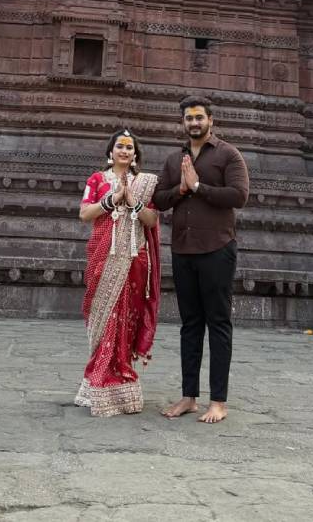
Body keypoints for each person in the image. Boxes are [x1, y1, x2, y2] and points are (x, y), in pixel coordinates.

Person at [154, 96, 250, 424]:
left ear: (211, 120)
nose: (193, 123)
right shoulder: (174, 159)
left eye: (198, 117)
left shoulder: (228, 155)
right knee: (190, 325)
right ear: (182, 122)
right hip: (183, 250)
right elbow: (159, 199)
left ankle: (219, 402)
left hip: (217, 249)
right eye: (188, 119)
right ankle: (189, 397)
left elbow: (239, 196)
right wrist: (181, 190)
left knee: (218, 324)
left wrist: (198, 186)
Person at [75, 129, 162, 417]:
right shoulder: (97, 179)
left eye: (129, 147)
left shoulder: (146, 183)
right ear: (110, 152)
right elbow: (84, 214)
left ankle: (122, 375)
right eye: (119, 146)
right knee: (105, 316)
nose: (124, 151)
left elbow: (152, 219)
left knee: (127, 318)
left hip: (135, 260)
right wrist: (113, 201)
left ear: (135, 154)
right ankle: (98, 381)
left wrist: (134, 202)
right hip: (104, 257)